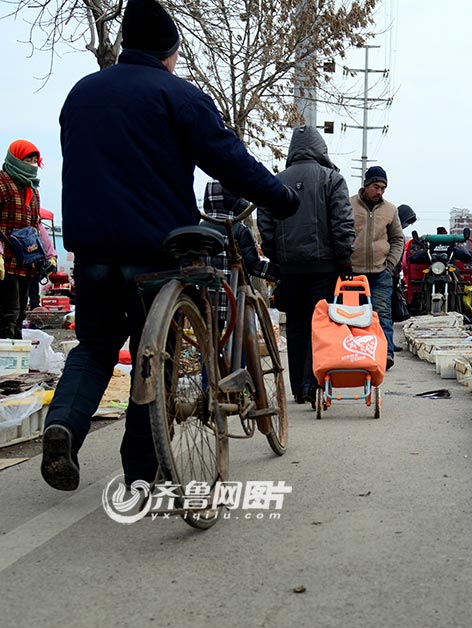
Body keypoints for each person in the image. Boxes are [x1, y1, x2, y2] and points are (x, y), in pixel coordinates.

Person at [43, 0, 299, 492]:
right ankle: (144, 468)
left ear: (123, 46)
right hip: (154, 250)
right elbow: (231, 162)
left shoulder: (81, 94)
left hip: (91, 248)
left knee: (94, 346)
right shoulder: (176, 94)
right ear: (170, 53)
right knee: (150, 352)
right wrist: (280, 197)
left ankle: (64, 428)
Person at [259, 125, 354, 406]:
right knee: (320, 324)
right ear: (320, 148)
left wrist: (275, 255)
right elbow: (342, 221)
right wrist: (344, 257)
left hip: (289, 268)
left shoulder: (276, 181)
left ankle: (298, 390)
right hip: (324, 266)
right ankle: (313, 383)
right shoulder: (331, 179)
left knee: (297, 326)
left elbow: (265, 223)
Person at [200, 180, 278, 330]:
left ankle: (208, 354)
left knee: (209, 337)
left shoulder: (199, 228)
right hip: (232, 300)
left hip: (205, 300)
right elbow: (253, 265)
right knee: (238, 339)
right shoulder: (239, 230)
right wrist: (277, 272)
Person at [350, 166, 403, 370]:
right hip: (353, 272)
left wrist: (390, 264)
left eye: (383, 188)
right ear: (366, 185)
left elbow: (398, 239)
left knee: (382, 315)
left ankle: (385, 354)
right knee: (353, 317)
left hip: (381, 273)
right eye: (376, 186)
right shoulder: (348, 205)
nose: (380, 191)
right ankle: (355, 355)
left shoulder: (391, 210)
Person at [0, 140, 44, 338]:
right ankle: (5, 360)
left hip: (25, 262)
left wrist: (48, 254)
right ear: (16, 158)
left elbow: (37, 226)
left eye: (35, 160)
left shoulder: (33, 189)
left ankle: (17, 359)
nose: (33, 164)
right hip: (4, 261)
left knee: (20, 315)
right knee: (7, 313)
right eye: (28, 159)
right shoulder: (2, 182)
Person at [390, 204, 417, 351]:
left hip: (393, 275)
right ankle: (387, 344)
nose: (406, 226)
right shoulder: (392, 232)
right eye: (406, 222)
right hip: (388, 274)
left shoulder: (398, 232)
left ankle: (388, 343)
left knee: (388, 310)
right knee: (386, 310)